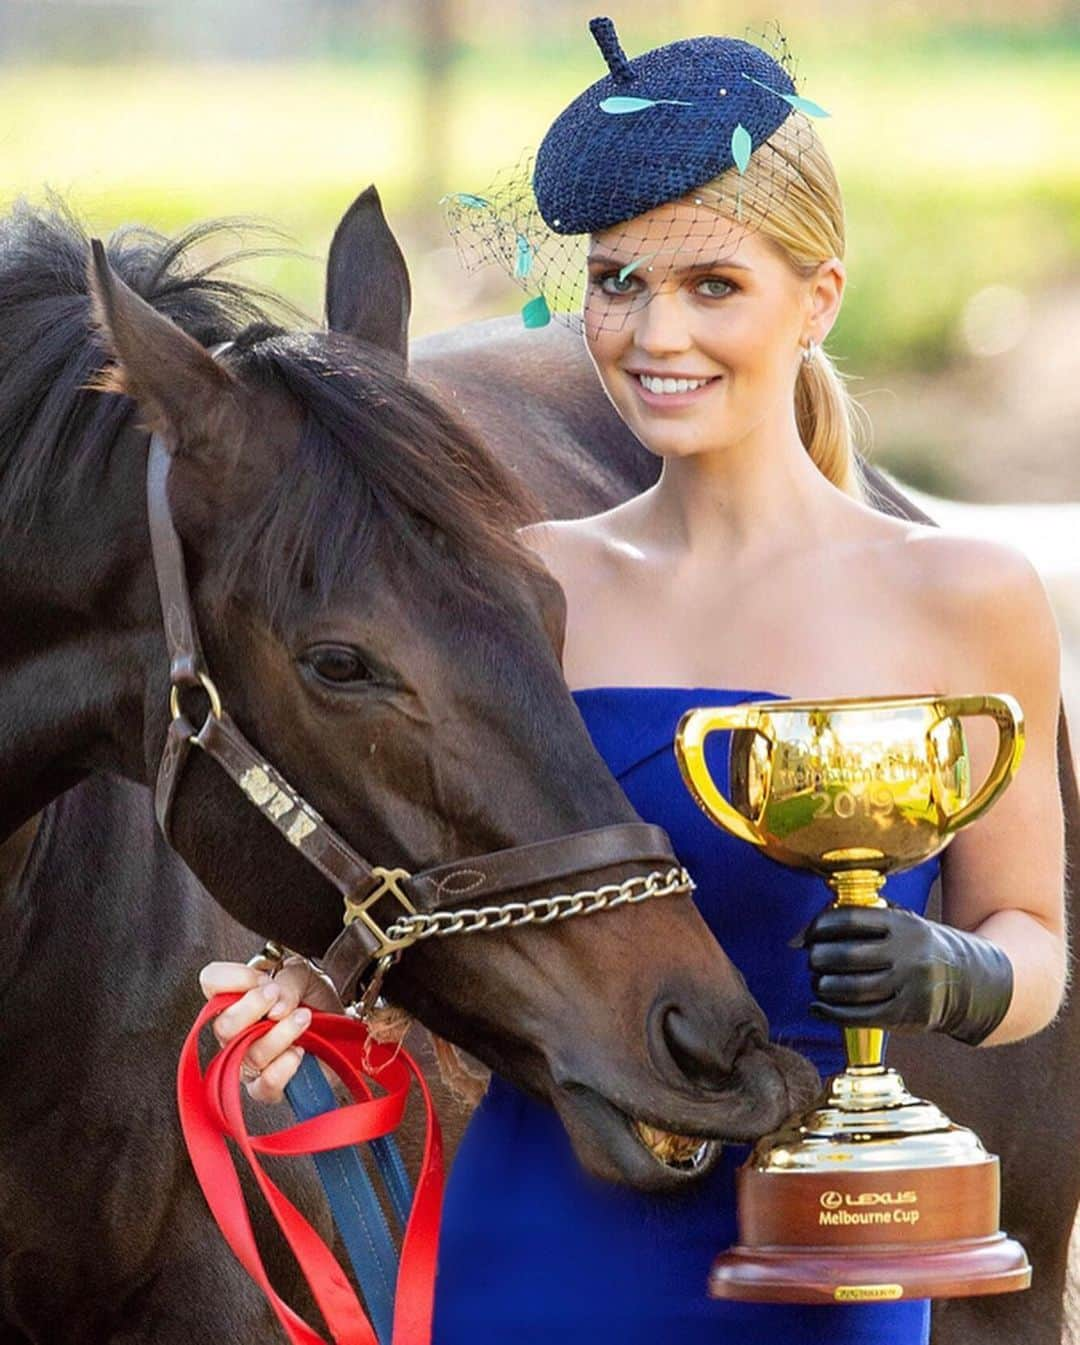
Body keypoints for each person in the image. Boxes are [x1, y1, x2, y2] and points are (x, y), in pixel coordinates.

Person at [201, 17, 1067, 1344]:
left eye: (713, 285)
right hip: (542, 1233)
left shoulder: (966, 596)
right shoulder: (525, 587)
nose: (656, 333)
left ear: (817, 297)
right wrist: (325, 975)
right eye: (618, 283)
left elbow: (1037, 944)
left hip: (823, 1238)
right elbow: (456, 856)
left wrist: (949, 972)